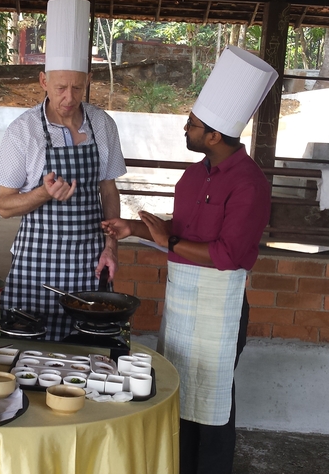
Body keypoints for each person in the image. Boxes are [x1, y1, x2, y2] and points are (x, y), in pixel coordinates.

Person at [101, 45, 277, 474]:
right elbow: (176, 232)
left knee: (213, 403)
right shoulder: (196, 173)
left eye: (193, 124)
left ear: (214, 135)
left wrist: (167, 240)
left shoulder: (250, 184)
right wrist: (133, 228)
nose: (186, 127)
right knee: (178, 392)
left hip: (221, 303)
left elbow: (228, 255)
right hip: (182, 300)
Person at [0, 0, 127, 341]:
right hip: (35, 268)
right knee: (24, 355)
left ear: (88, 81)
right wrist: (42, 193)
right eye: (60, 88)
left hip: (88, 262)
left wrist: (111, 247)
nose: (69, 97)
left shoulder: (103, 125)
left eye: (78, 87)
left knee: (85, 354)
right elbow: (4, 205)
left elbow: (108, 190)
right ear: (42, 81)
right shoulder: (23, 131)